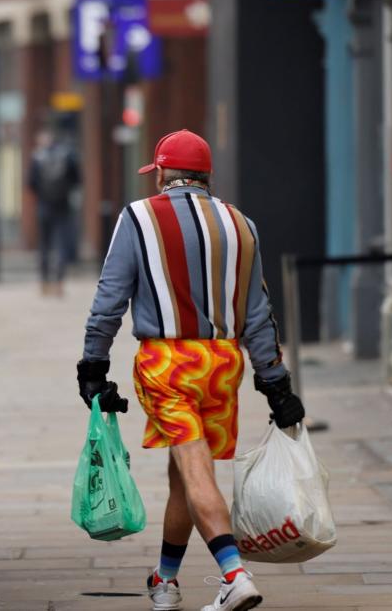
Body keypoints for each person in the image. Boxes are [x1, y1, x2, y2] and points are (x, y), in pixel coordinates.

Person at [76, 129, 305, 611]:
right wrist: (276, 384)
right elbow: (258, 313)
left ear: (161, 173)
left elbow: (109, 300)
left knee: (195, 470)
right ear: (205, 177)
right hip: (223, 364)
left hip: (168, 364)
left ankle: (234, 574)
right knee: (183, 474)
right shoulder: (240, 224)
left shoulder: (138, 217)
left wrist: (93, 365)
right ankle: (165, 580)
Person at [28, 127, 80, 296]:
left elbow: (31, 183)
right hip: (63, 205)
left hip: (44, 205)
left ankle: (44, 283)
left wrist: (42, 194)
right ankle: (59, 282)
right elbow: (77, 179)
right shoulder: (66, 155)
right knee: (61, 244)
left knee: (44, 244)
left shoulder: (37, 157)